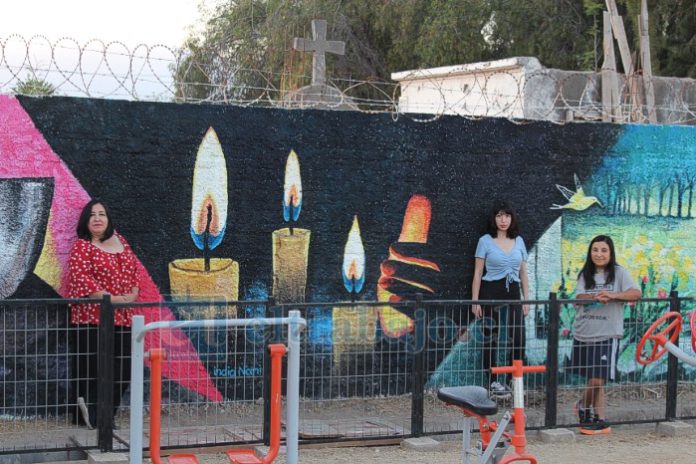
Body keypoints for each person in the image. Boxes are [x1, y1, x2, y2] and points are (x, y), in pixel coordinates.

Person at [67, 200, 139, 428]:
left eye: (102, 214)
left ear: (108, 219)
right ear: (85, 221)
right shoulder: (83, 246)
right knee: (90, 368)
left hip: (122, 318)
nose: (97, 218)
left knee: (122, 369)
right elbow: (82, 278)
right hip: (90, 318)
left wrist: (132, 294)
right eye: (92, 215)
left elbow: (134, 271)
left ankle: (104, 415)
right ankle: (87, 417)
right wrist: (112, 298)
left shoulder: (122, 243)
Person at [569, 235, 640, 435]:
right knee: (595, 378)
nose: (599, 254)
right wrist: (594, 297)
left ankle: (582, 406)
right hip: (584, 332)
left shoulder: (619, 273)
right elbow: (579, 297)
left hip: (608, 334)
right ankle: (599, 419)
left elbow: (635, 293)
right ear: (590, 252)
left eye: (603, 250)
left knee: (598, 379)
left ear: (610, 253)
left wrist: (612, 295)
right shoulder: (585, 274)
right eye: (595, 250)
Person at [471, 201, 529, 398]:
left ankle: (515, 380)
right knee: (491, 336)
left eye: (507, 216)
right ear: (494, 219)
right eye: (499, 216)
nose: (503, 220)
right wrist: (475, 300)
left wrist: (527, 299)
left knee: (518, 336)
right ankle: (493, 381)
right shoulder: (485, 241)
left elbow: (523, 273)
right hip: (490, 291)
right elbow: (478, 272)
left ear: (512, 218)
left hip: (513, 292)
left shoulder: (519, 241)